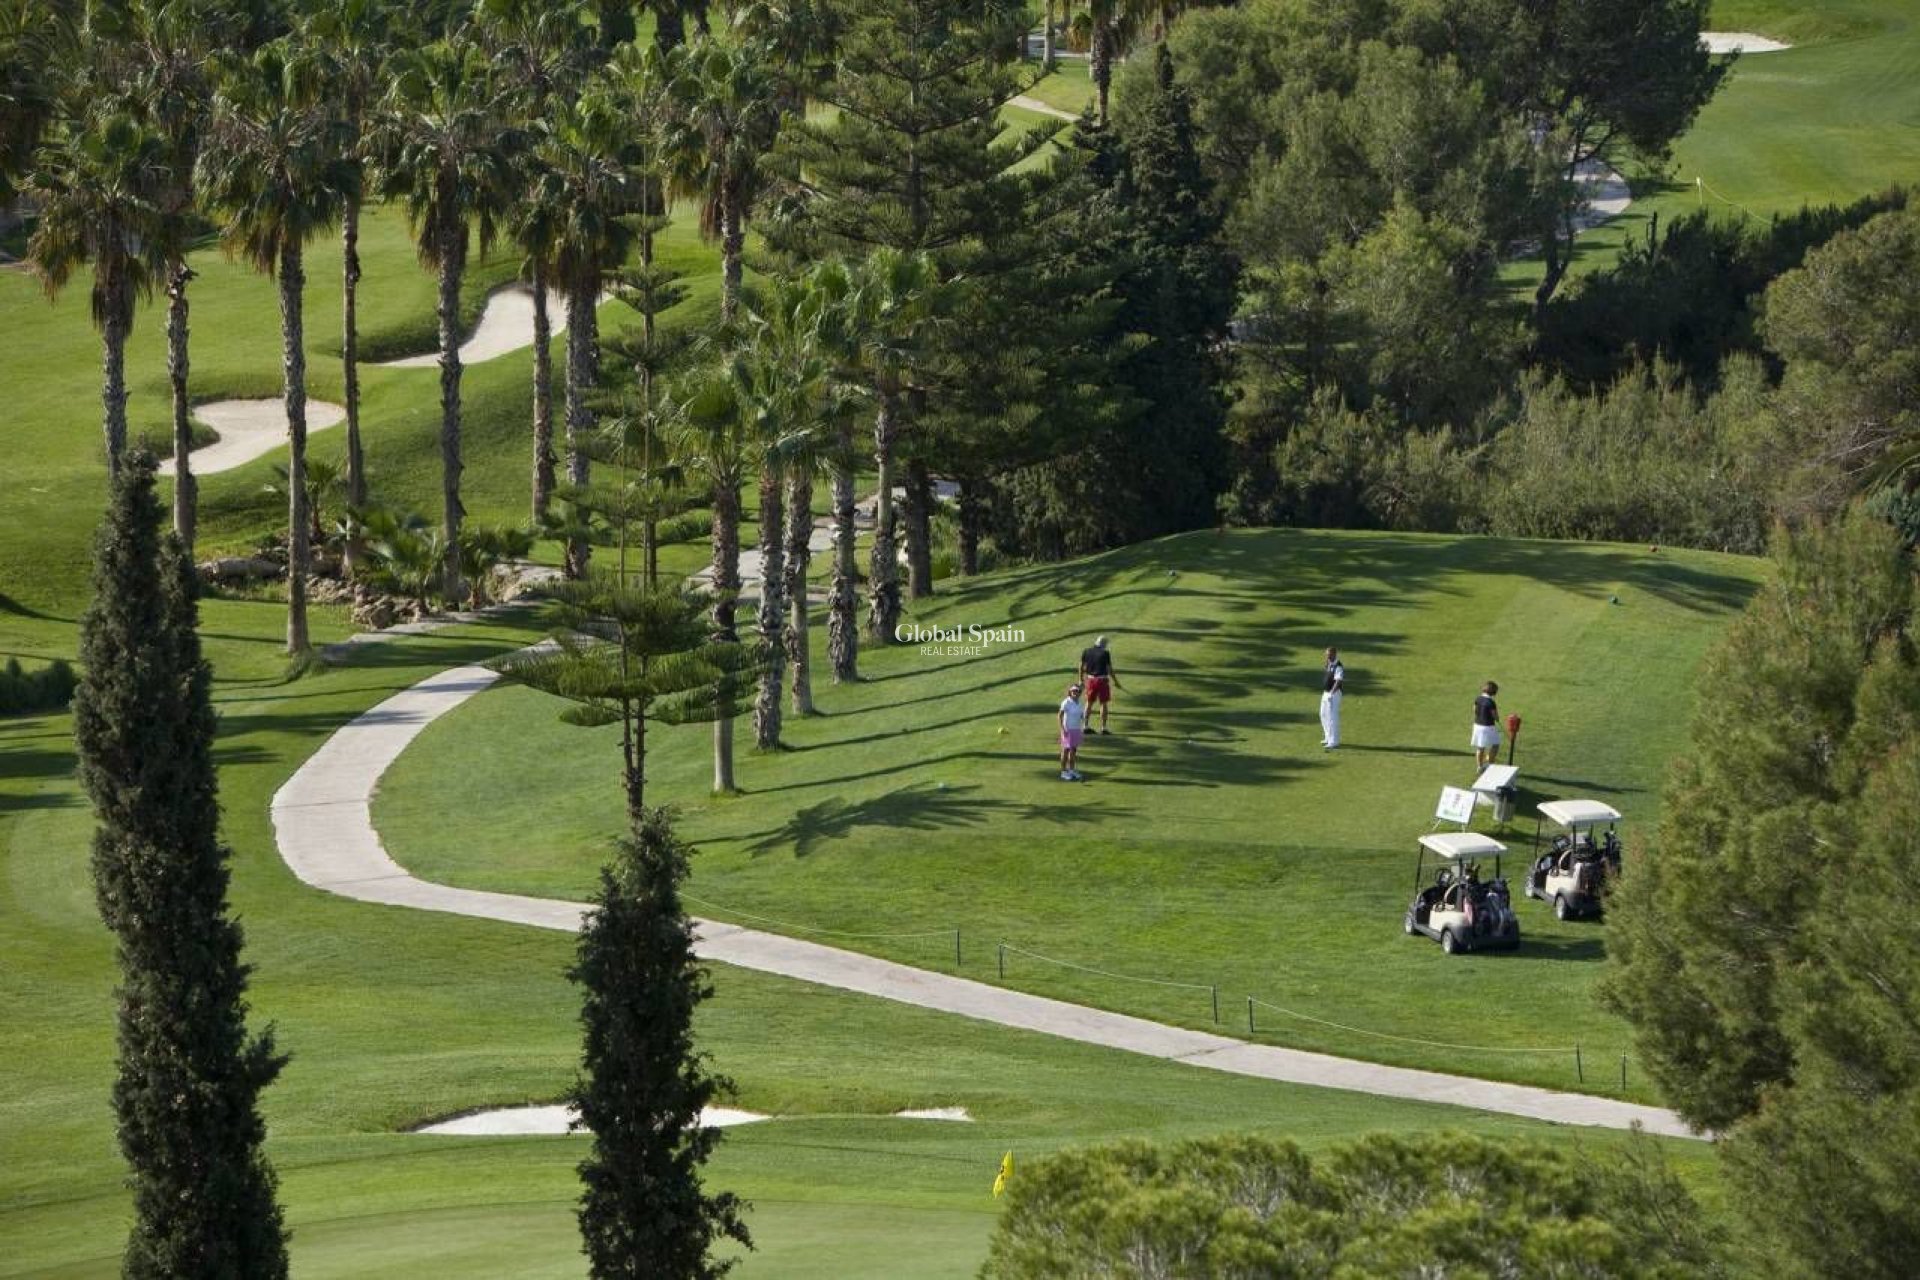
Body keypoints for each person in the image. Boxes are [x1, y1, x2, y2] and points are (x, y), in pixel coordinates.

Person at [1078, 635, 1123, 734]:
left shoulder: (1086, 651)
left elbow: (1081, 666)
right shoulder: (1105, 653)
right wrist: (1116, 682)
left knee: (1089, 703)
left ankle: (1085, 725)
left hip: (1090, 680)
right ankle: (1103, 728)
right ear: (1104, 645)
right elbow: (1109, 669)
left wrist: (1080, 680)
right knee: (1103, 703)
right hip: (1102, 681)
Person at [1058, 683, 1087, 781]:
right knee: (1065, 751)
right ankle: (1063, 772)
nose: (1075, 692)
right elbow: (1060, 715)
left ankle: (1071, 770)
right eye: (1073, 691)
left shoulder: (1080, 703)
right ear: (1070, 692)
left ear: (1080, 693)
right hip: (1067, 730)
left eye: (1077, 691)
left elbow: (1081, 715)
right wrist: (1062, 729)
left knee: (1073, 751)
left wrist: (1084, 723)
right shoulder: (1066, 702)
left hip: (1076, 729)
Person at [1471, 681, 1501, 770]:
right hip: (1488, 726)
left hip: (1477, 725)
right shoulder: (1491, 702)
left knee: (1480, 747)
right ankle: (1490, 763)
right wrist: (1497, 719)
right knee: (1496, 744)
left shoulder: (1478, 698)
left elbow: (1474, 710)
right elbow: (1495, 716)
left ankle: (1479, 766)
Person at [1320, 647, 1344, 750]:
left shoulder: (1338, 666)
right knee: (1323, 714)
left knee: (1332, 717)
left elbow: (1338, 681)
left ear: (1334, 654)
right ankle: (1328, 737)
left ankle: (1334, 741)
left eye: (1329, 655)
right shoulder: (1329, 664)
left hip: (1334, 694)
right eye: (1326, 655)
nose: (1327, 657)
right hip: (1326, 693)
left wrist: (1331, 693)